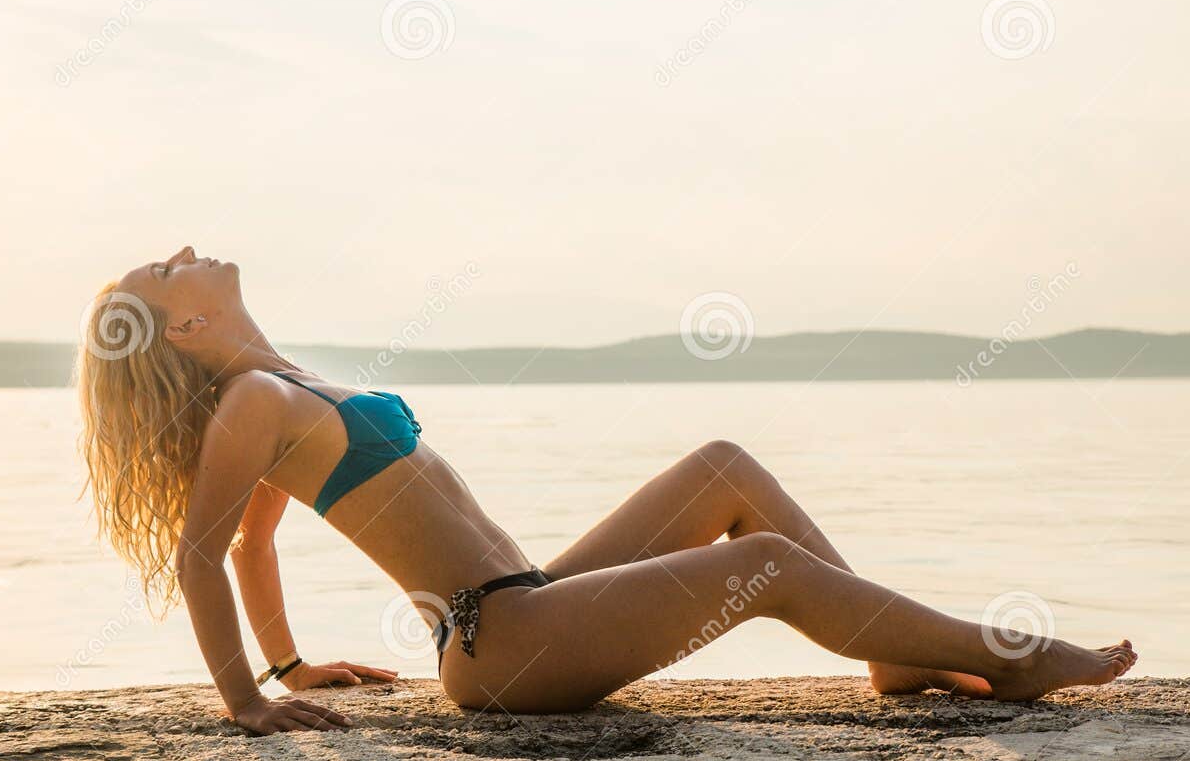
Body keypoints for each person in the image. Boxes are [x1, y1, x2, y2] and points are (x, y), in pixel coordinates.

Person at [77, 247, 1136, 735]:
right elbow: (205, 552)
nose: (182, 254)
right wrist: (252, 700)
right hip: (498, 643)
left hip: (531, 600)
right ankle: (1008, 656)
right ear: (184, 329)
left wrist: (300, 663)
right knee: (760, 567)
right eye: (166, 273)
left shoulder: (284, 384)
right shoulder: (250, 401)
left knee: (724, 466)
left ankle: (893, 657)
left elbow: (262, 542)